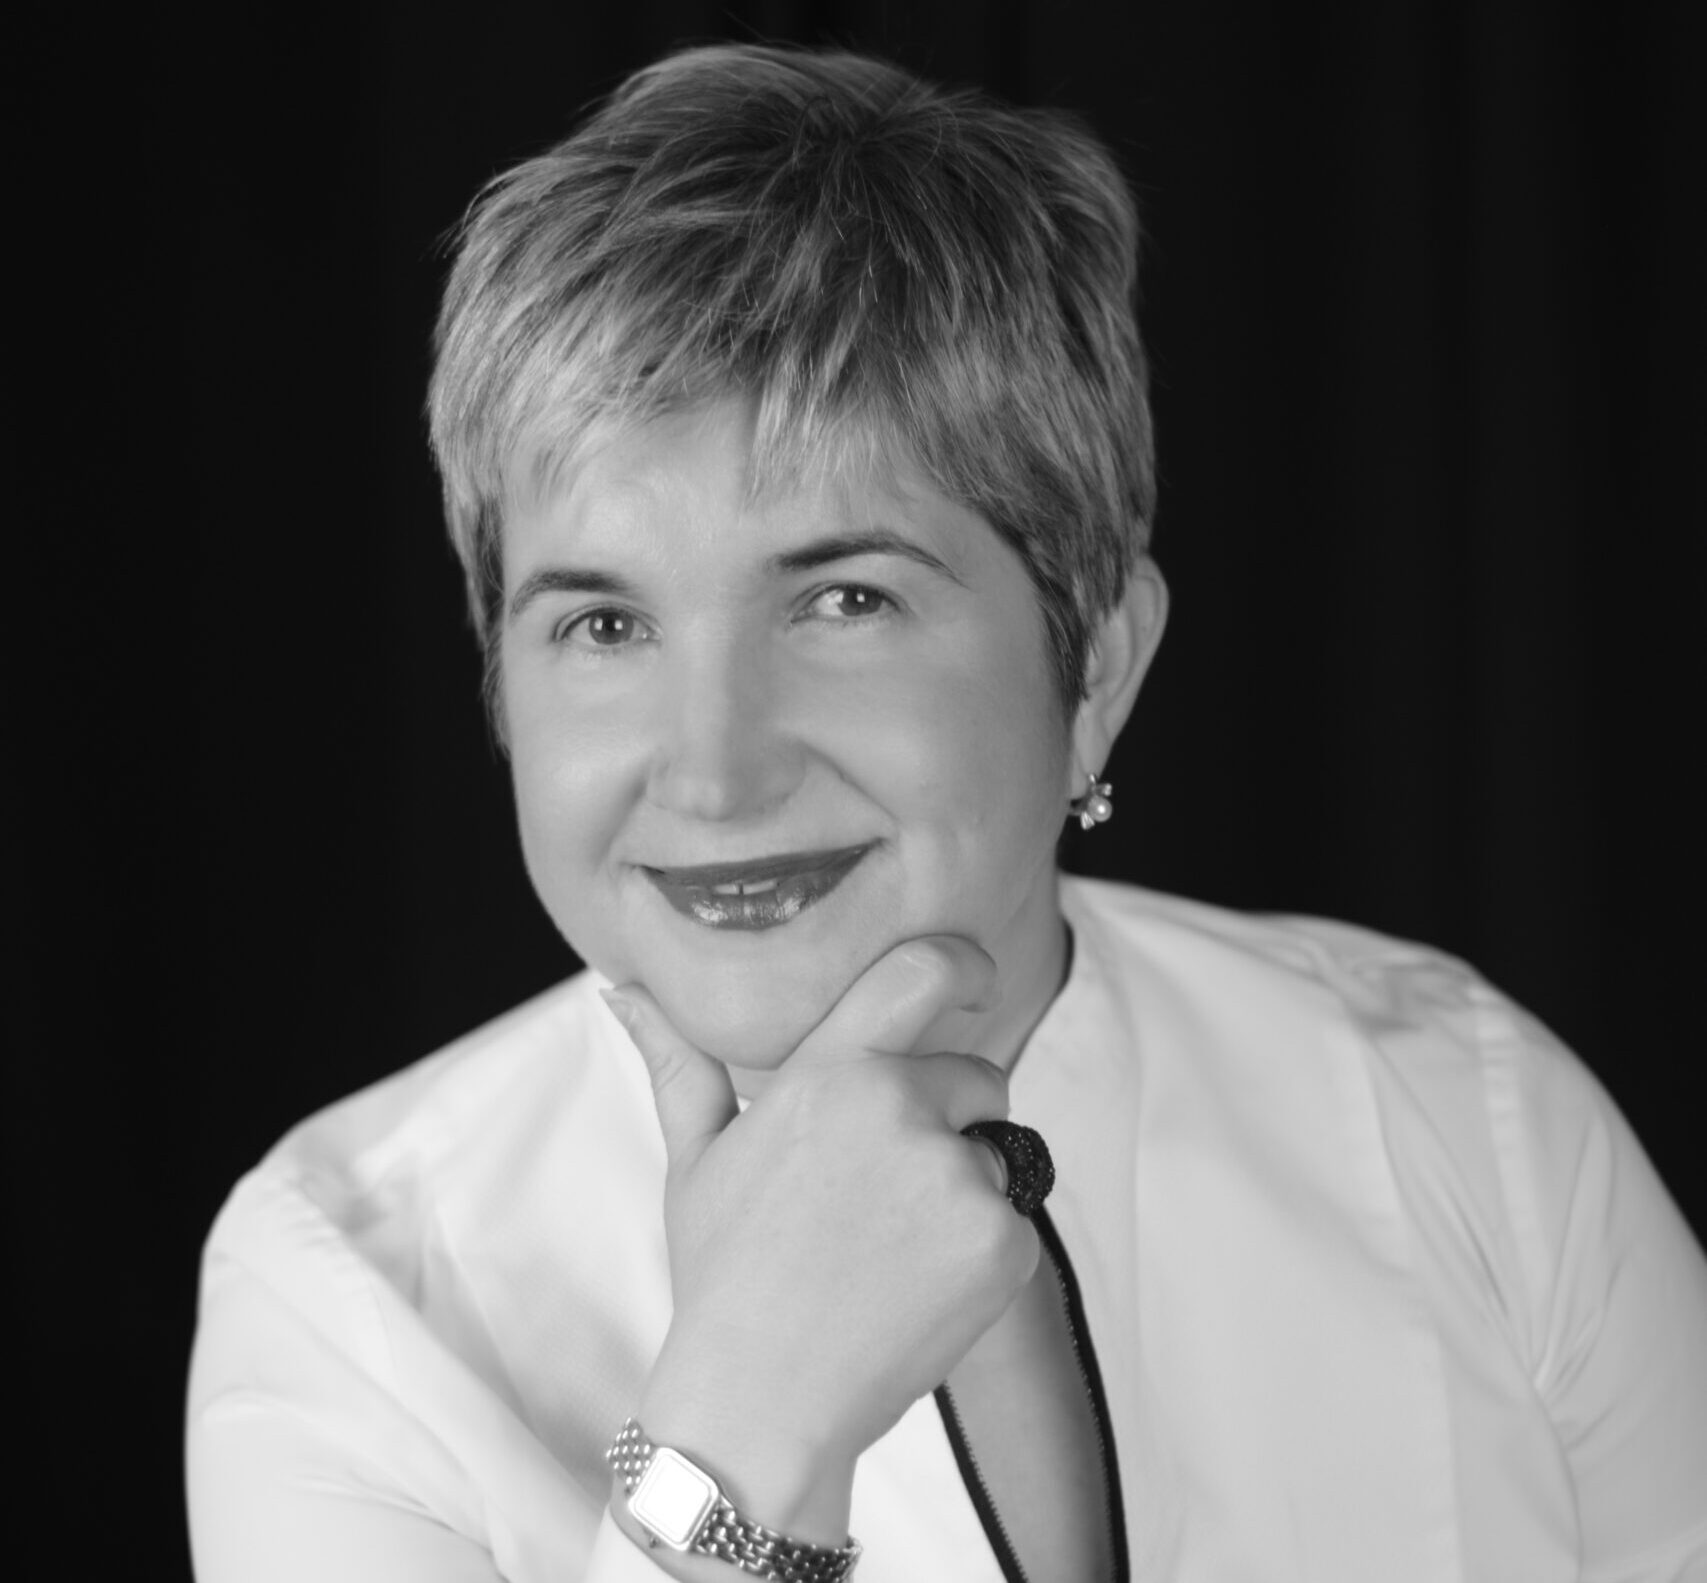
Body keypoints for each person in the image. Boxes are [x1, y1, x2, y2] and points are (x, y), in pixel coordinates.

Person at [184, 41, 1707, 1583]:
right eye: (604, 624)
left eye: (844, 599)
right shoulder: (342, 1295)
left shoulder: (1473, 1123)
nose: (713, 771)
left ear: (1092, 666)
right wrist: (747, 1429)